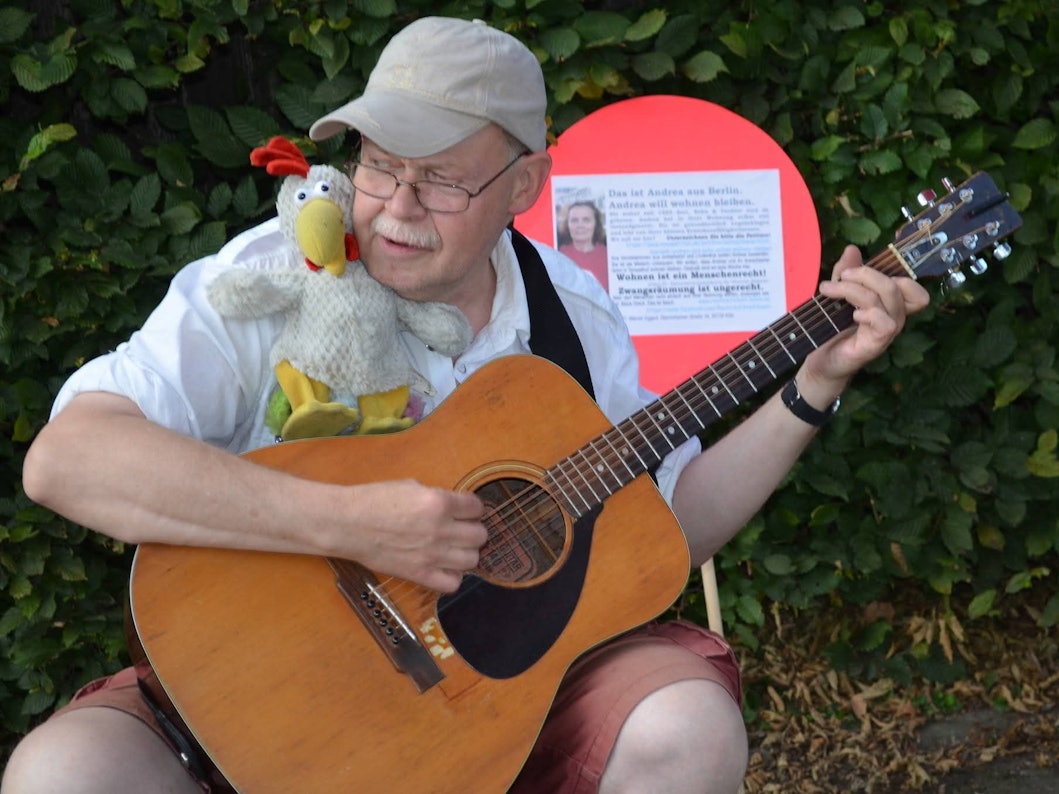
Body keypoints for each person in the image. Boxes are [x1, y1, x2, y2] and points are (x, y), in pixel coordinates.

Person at [4, 15, 929, 794]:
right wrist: (352, 522)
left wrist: (813, 385)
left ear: (523, 187)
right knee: (63, 774)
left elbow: (665, 532)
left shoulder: (573, 318)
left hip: (480, 713)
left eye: (441, 178)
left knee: (684, 723)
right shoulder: (276, 275)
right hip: (258, 692)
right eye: (377, 166)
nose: (395, 208)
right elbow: (66, 461)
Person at [559, 200, 609, 289]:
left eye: (586, 220)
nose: (580, 225)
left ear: (595, 224)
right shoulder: (559, 254)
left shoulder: (607, 255)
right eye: (574, 220)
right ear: (567, 224)